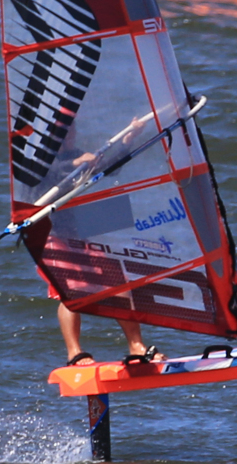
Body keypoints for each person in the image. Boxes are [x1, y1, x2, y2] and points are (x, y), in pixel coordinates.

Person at [41, 112, 164, 366]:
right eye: (64, 130)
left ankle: (137, 347)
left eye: (71, 128)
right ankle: (75, 353)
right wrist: (76, 164)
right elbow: (50, 173)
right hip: (50, 235)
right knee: (72, 292)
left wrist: (128, 139)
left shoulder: (74, 155)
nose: (70, 134)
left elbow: (107, 165)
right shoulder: (43, 160)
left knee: (118, 284)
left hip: (80, 230)